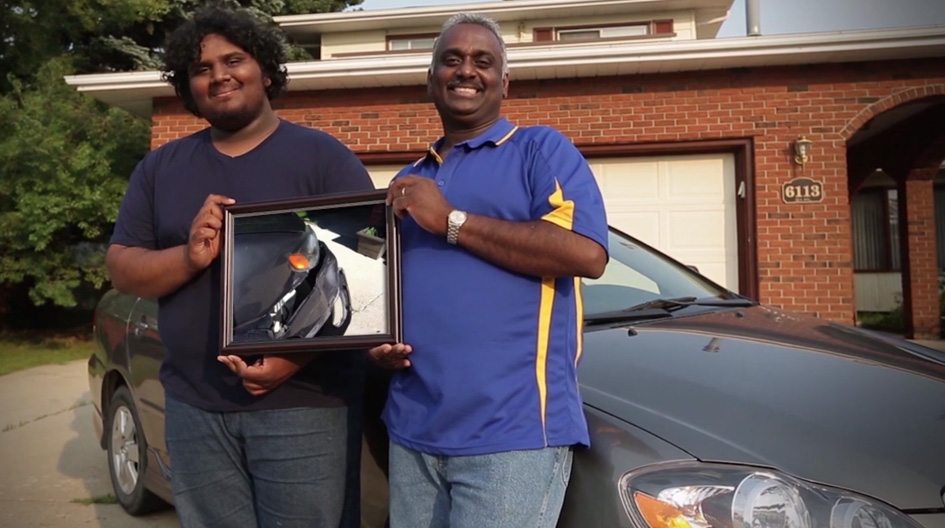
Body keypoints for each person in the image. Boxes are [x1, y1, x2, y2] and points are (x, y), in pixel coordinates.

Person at [106, 6, 373, 527]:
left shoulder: (323, 159)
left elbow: (365, 283)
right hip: (193, 404)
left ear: (266, 69)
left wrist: (291, 361)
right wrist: (187, 256)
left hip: (305, 403)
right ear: (189, 86)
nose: (219, 75)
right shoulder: (161, 169)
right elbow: (123, 266)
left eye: (234, 59)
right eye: (201, 68)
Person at [369, 13, 609, 528]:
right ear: (430, 78)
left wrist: (451, 221)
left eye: (483, 61)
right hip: (412, 429)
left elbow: (587, 253)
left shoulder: (539, 150)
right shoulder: (410, 180)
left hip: (510, 434)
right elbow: (384, 284)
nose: (465, 71)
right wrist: (377, 340)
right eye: (451, 60)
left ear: (504, 82)